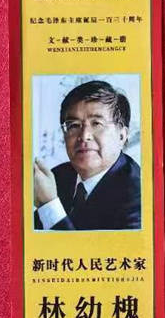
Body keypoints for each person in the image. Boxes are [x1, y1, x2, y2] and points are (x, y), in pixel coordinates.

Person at [34, 80, 141, 230]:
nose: (84, 136)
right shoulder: (58, 177)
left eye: (96, 124)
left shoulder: (139, 195)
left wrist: (49, 205)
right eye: (74, 125)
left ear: (122, 136)